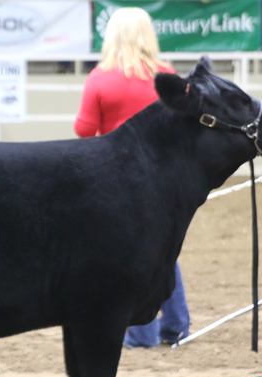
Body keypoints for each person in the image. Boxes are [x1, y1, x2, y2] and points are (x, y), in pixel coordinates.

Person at [73, 7, 189, 349]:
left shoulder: (100, 77)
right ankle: (176, 325)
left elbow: (83, 129)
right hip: (165, 178)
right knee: (165, 251)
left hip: (117, 179)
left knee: (129, 257)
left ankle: (141, 333)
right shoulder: (166, 74)